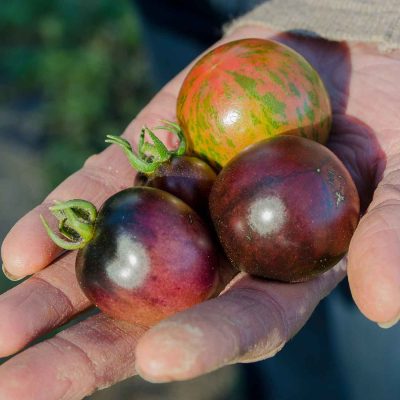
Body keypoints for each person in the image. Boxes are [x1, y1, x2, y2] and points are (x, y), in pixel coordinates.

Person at [0, 1, 400, 398]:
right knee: (270, 353)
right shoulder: (174, 182)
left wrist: (368, 16)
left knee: (373, 342)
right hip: (181, 16)